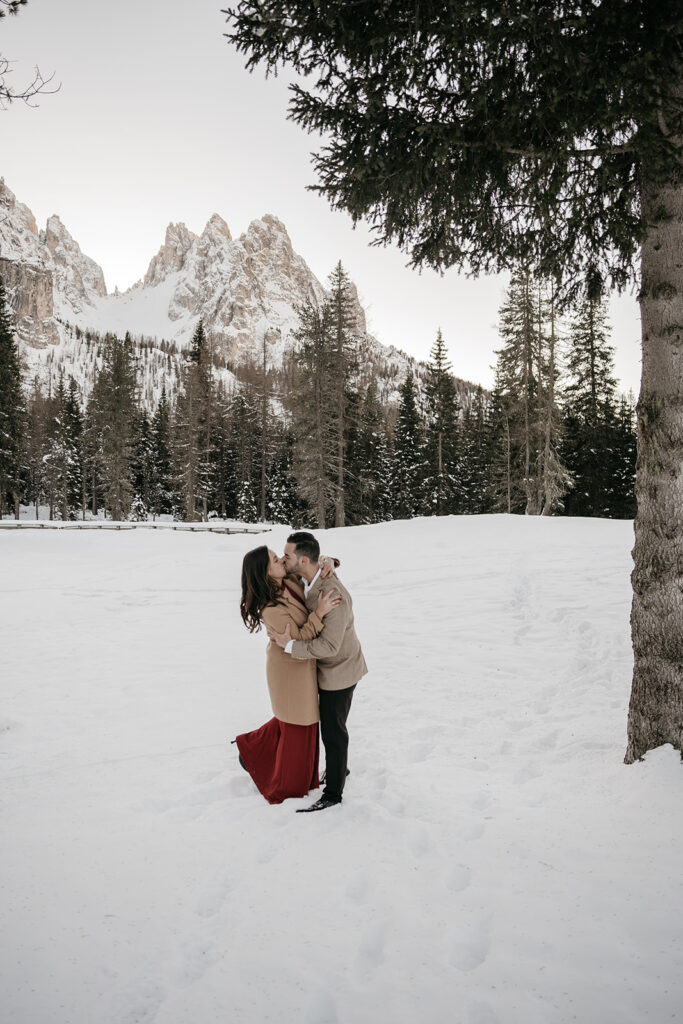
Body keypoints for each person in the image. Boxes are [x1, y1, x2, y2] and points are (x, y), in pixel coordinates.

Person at [268, 531, 367, 813]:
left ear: (302, 559)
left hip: (340, 671)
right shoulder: (305, 576)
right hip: (324, 670)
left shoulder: (334, 597)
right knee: (331, 729)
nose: (283, 559)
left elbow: (330, 646)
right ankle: (339, 768)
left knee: (334, 733)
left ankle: (334, 792)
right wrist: (329, 560)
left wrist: (290, 646)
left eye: (287, 556)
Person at [236, 546, 341, 804]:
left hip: (302, 662)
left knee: (298, 717)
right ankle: (263, 760)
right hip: (288, 668)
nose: (281, 559)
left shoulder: (288, 579)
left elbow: (310, 567)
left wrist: (328, 561)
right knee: (299, 720)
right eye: (274, 559)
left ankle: (251, 747)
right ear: (265, 572)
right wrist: (320, 613)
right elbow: (301, 638)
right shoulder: (270, 608)